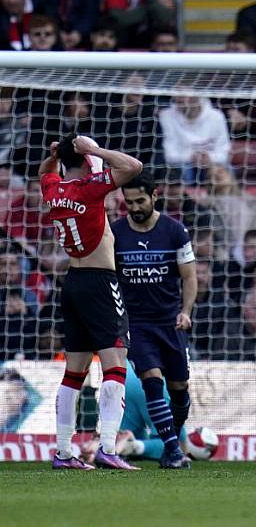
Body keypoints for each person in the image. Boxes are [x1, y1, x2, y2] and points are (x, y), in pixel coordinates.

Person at [39, 134, 143, 470]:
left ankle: (64, 453)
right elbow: (133, 166)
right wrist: (94, 150)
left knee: (74, 372)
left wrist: (55, 156)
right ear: (85, 162)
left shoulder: (53, 189)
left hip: (72, 284)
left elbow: (44, 171)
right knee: (115, 365)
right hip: (100, 282)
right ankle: (108, 448)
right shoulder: (89, 187)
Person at [112, 171, 196, 468]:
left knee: (179, 390)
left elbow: (189, 275)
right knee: (151, 381)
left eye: (139, 201)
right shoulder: (116, 233)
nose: (134, 207)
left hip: (170, 322)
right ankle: (174, 452)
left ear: (154, 196)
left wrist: (186, 311)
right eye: (129, 202)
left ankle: (169, 446)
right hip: (136, 323)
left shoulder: (175, 231)